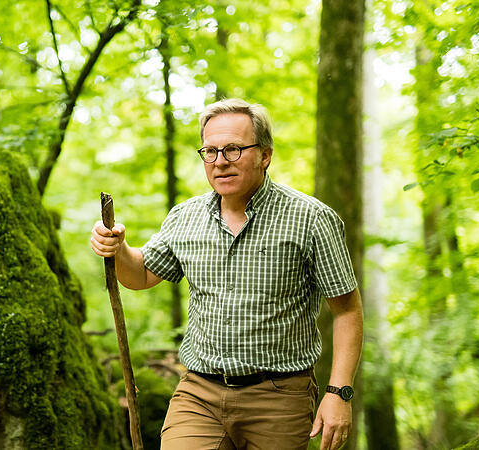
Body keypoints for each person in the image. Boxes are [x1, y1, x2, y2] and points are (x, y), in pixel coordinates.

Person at [90, 98, 363, 450]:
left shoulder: (311, 219)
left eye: (233, 149)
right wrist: (119, 248)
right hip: (198, 395)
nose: (220, 162)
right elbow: (140, 275)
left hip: (279, 398)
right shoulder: (184, 217)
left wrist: (338, 393)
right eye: (210, 151)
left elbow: (347, 311)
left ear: (265, 155)